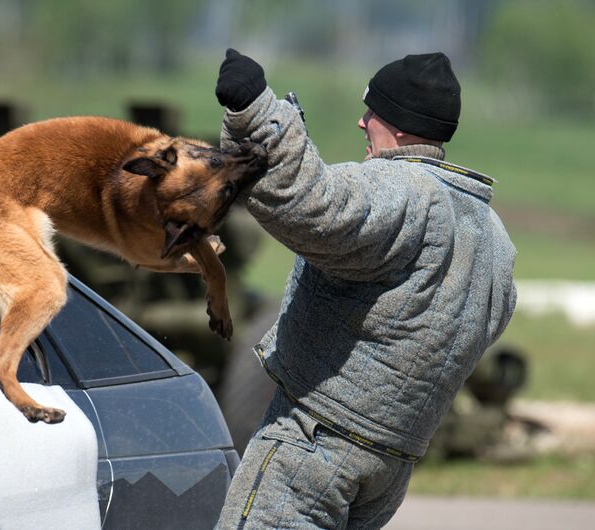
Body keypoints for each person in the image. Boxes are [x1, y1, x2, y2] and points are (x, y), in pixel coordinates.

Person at [213, 49, 517, 529]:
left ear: (398, 125)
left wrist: (257, 112)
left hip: (315, 442)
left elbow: (312, 208)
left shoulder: (401, 188)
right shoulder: (494, 235)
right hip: (391, 464)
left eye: (372, 111)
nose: (361, 122)